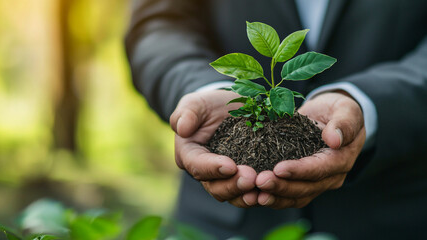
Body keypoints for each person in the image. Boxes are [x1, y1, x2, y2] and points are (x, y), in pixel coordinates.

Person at [125, 0, 427, 239]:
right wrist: (204, 89)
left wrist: (363, 102)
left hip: (394, 216)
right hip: (220, 227)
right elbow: (158, 23)